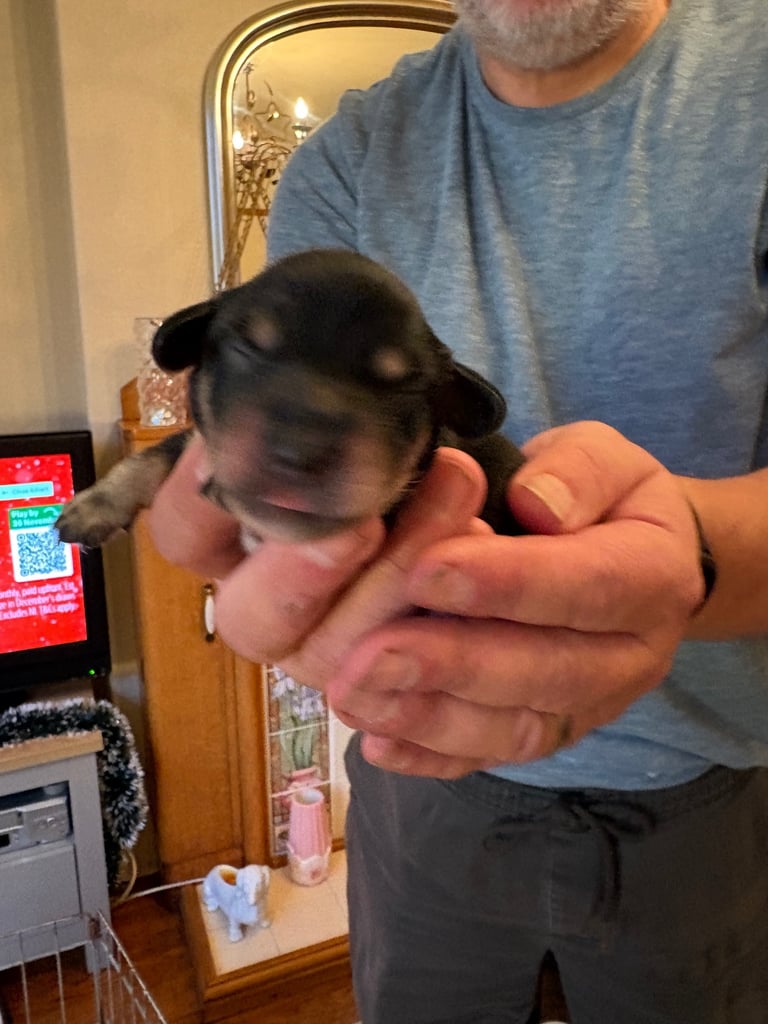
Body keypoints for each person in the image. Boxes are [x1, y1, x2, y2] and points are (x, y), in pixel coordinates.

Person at [150, 0, 768, 1020]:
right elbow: (262, 496)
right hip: (421, 799)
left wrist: (689, 558)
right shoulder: (345, 164)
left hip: (716, 797)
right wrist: (252, 543)